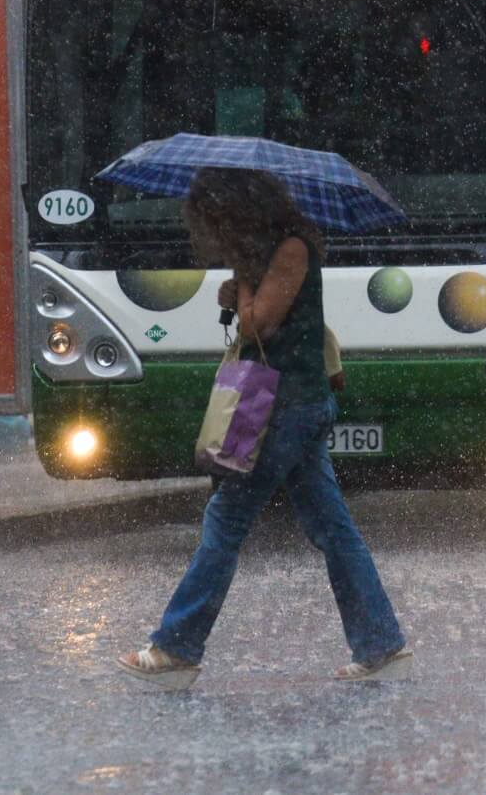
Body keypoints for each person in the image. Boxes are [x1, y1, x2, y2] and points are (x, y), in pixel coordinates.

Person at [119, 168, 408, 690]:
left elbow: (261, 324)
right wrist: (242, 285)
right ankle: (381, 643)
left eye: (215, 220)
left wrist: (242, 291)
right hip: (291, 403)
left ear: (238, 212)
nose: (210, 231)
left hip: (284, 406)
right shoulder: (270, 251)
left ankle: (177, 647)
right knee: (332, 528)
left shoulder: (291, 249)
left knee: (227, 519)